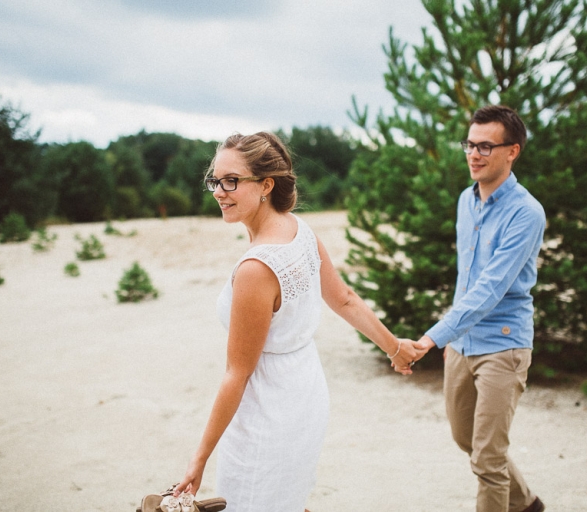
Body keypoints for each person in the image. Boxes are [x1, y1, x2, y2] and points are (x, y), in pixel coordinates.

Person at [173, 131, 417, 512]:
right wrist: (395, 347)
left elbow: (237, 373)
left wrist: (199, 458)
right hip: (305, 394)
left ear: (266, 185)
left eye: (232, 181)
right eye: (215, 180)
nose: (219, 191)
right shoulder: (298, 230)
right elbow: (345, 298)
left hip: (268, 413)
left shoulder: (256, 268)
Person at [408, 106, 547, 512]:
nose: (474, 154)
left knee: (487, 457)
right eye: (470, 144)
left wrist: (434, 337)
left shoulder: (526, 212)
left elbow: (490, 289)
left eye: (486, 146)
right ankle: (527, 504)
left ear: (512, 151)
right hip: (463, 345)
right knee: (464, 438)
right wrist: (454, 339)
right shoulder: (465, 202)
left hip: (504, 346)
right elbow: (465, 278)